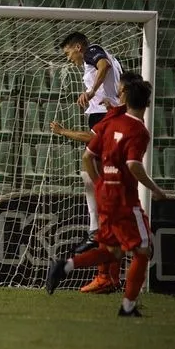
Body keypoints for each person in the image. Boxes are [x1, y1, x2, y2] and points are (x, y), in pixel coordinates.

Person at [46, 79, 166, 317]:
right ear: (148, 103)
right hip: (124, 198)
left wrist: (100, 183)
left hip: (105, 194)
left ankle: (66, 265)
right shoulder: (139, 131)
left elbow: (86, 158)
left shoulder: (110, 123)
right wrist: (155, 189)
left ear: (124, 98)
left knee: (113, 251)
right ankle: (128, 307)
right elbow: (133, 164)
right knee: (144, 250)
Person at [56, 32, 123, 293]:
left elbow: (103, 66)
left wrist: (91, 91)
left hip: (104, 116)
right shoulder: (98, 64)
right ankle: (106, 272)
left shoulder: (93, 52)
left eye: (68, 52)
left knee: (97, 178)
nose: (69, 58)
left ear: (78, 46)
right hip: (105, 115)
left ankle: (96, 234)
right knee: (90, 175)